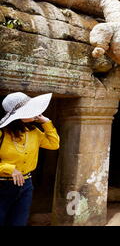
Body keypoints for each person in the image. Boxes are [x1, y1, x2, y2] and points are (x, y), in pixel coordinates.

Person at [0, 92, 60, 226]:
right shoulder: (2, 133)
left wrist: (47, 123)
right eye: (29, 109)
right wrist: (9, 169)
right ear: (18, 115)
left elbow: (53, 144)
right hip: (2, 185)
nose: (35, 112)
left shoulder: (34, 132)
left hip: (26, 185)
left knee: (19, 223)